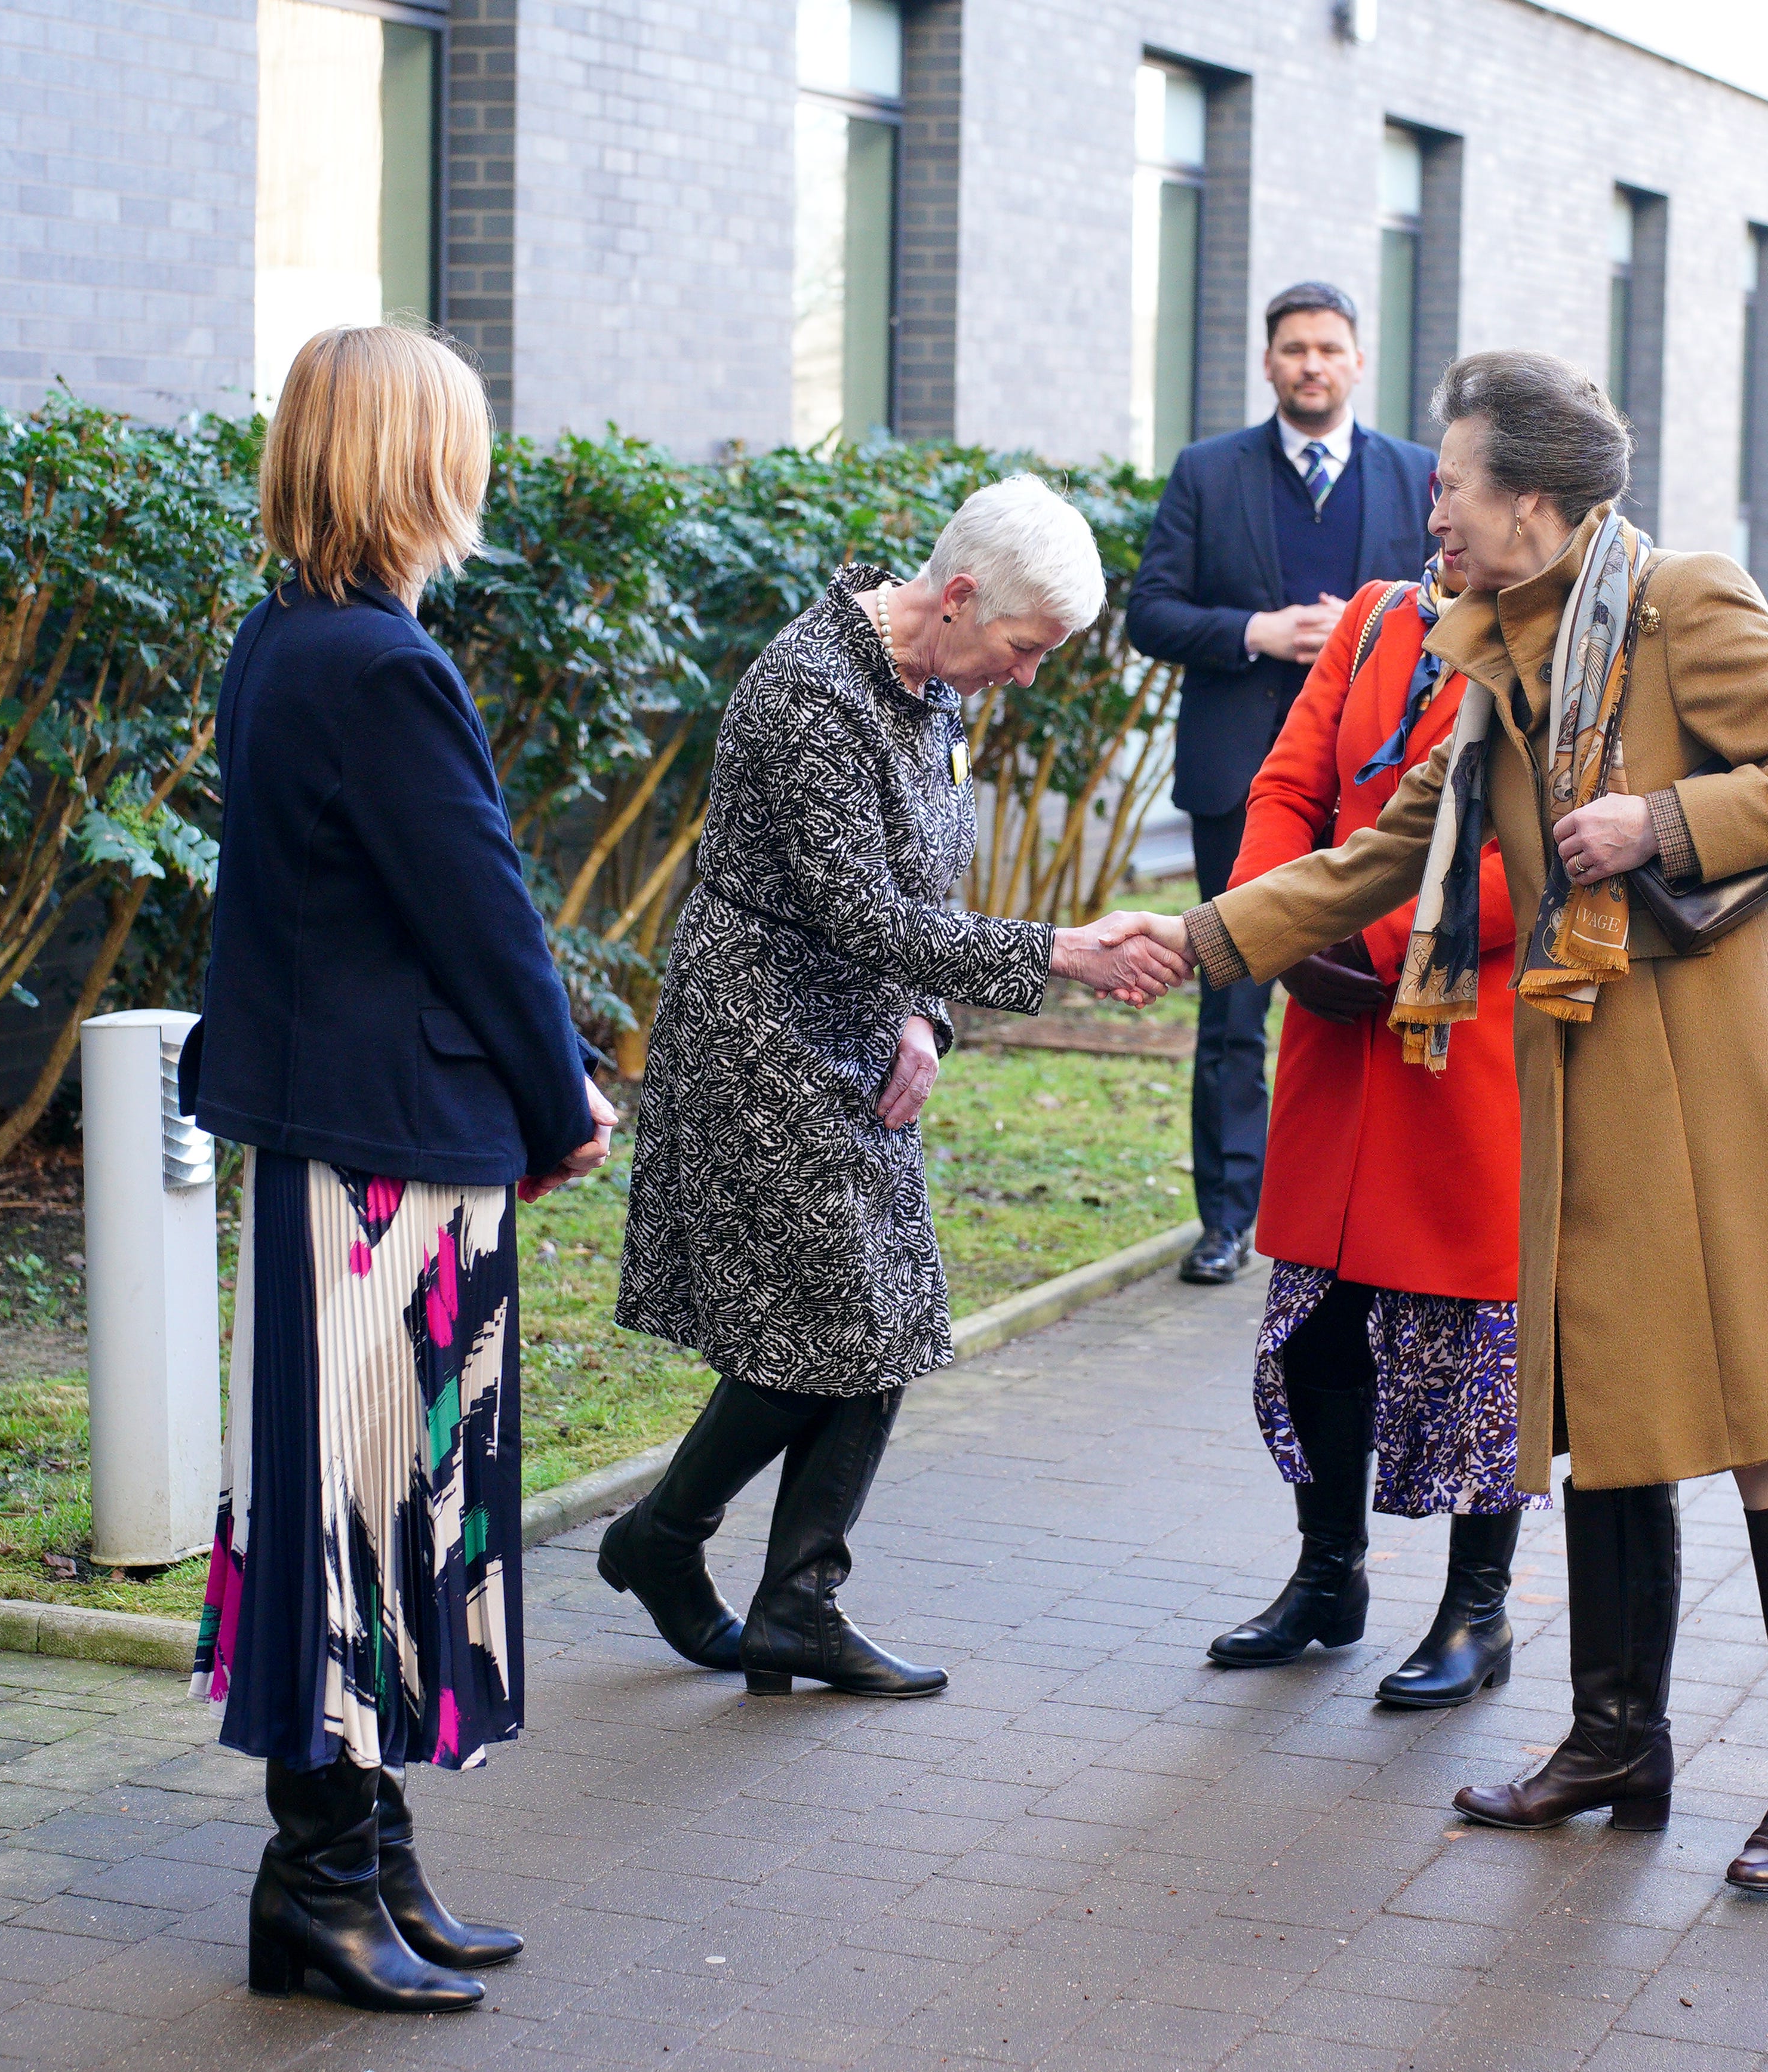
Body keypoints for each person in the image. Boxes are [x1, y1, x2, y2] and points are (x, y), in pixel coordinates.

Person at [1147, 349, 1768, 1891]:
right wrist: (1197, 938)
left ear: (1534, 506)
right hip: (1576, 1075)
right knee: (1608, 1411)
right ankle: (1615, 1732)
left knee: (1763, 1417)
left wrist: (1661, 820)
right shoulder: (1494, 640)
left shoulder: (1683, 603)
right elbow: (1386, 852)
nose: (1428, 509)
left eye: (1449, 487)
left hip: (1707, 1085)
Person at [186, 324, 620, 2014]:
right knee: (362, 1514)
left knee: (365, 1506)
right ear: (409, 461)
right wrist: (563, 1094)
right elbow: (482, 906)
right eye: (463, 437)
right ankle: (320, 1878)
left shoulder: (289, 639)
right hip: (382, 1151)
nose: (482, 465)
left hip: (349, 1137)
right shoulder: (376, 664)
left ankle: (364, 1851)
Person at [609, 477, 1187, 1702]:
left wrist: (919, 1012)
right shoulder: (811, 691)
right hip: (757, 1023)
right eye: (1023, 649)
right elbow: (855, 905)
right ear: (961, 595)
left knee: (877, 1308)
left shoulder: (928, 676)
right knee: (831, 1316)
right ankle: (680, 1545)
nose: (1023, 676)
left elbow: (910, 883)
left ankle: (781, 1596)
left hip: (854, 1019)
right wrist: (1061, 951)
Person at [1200, 541, 1543, 1708]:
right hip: (1334, 1023)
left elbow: (1550, 854)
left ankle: (1475, 1611)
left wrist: (1385, 942)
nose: (1441, 512)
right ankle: (1327, 1575)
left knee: (1469, 1328)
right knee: (1320, 1320)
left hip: (1465, 1020)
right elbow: (1288, 786)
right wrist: (1280, 931)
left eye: (1464, 488)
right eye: (1436, 486)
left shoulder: (1564, 637)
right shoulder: (1371, 615)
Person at [1125, 282, 1438, 1288]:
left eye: (1330, 348)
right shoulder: (1208, 473)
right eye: (1295, 348)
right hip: (1239, 778)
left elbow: (1455, 605)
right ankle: (1227, 1218)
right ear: (1269, 363)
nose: (1312, 364)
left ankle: (1368, 1211)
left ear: (1357, 361)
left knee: (1379, 985)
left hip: (1381, 790)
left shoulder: (1418, 474)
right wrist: (1255, 633)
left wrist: (1370, 627)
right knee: (1233, 996)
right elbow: (1151, 612)